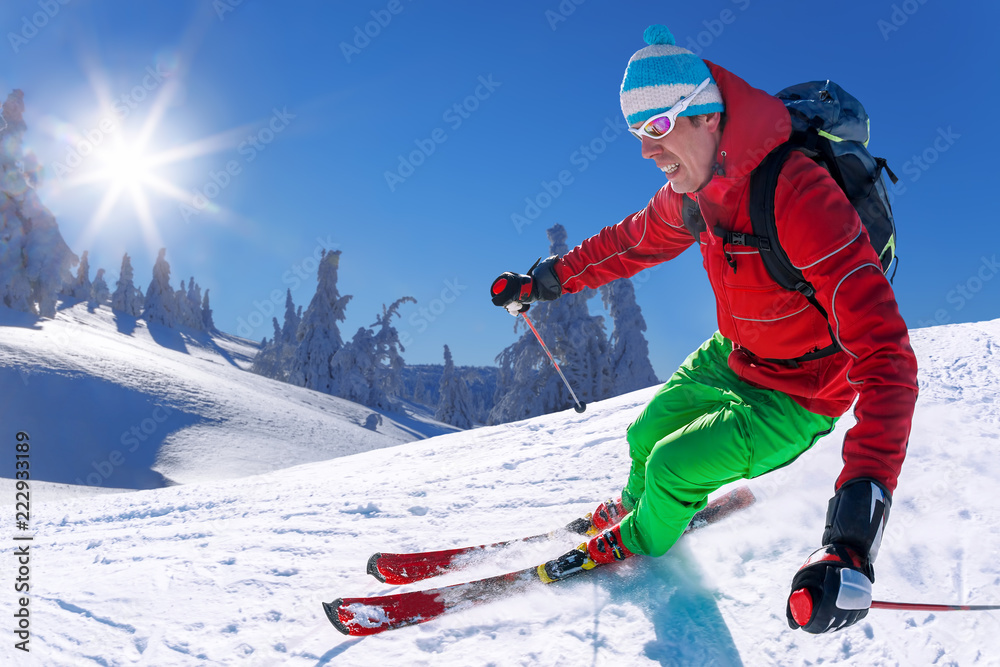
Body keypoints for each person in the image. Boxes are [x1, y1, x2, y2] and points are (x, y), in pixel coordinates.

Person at [489, 24, 918, 634]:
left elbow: (887, 359)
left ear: (707, 117)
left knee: (670, 465)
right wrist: (545, 280)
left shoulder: (800, 195)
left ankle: (643, 538)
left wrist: (852, 536)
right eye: (638, 133)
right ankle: (644, 511)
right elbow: (628, 243)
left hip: (800, 393)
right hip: (735, 354)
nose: (646, 149)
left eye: (658, 127)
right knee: (645, 435)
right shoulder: (695, 191)